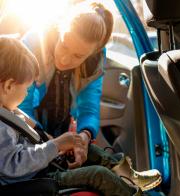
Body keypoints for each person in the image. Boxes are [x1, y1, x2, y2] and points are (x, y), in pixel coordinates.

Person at [18, 1, 162, 191]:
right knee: (88, 167)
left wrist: (84, 137)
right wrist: (52, 143)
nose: (65, 58)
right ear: (60, 28)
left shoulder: (94, 61)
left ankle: (126, 176)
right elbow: (21, 109)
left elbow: (89, 108)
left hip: (58, 128)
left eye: (78, 55)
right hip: (30, 134)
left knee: (88, 148)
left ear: (92, 53)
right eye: (64, 45)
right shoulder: (34, 44)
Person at [0, 36, 143, 195]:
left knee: (88, 148)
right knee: (98, 175)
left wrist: (51, 141)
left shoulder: (6, 110)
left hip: (39, 167)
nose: (27, 92)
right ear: (8, 86)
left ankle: (128, 177)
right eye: (26, 87)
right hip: (35, 181)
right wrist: (55, 146)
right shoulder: (1, 126)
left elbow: (27, 129)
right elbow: (13, 166)